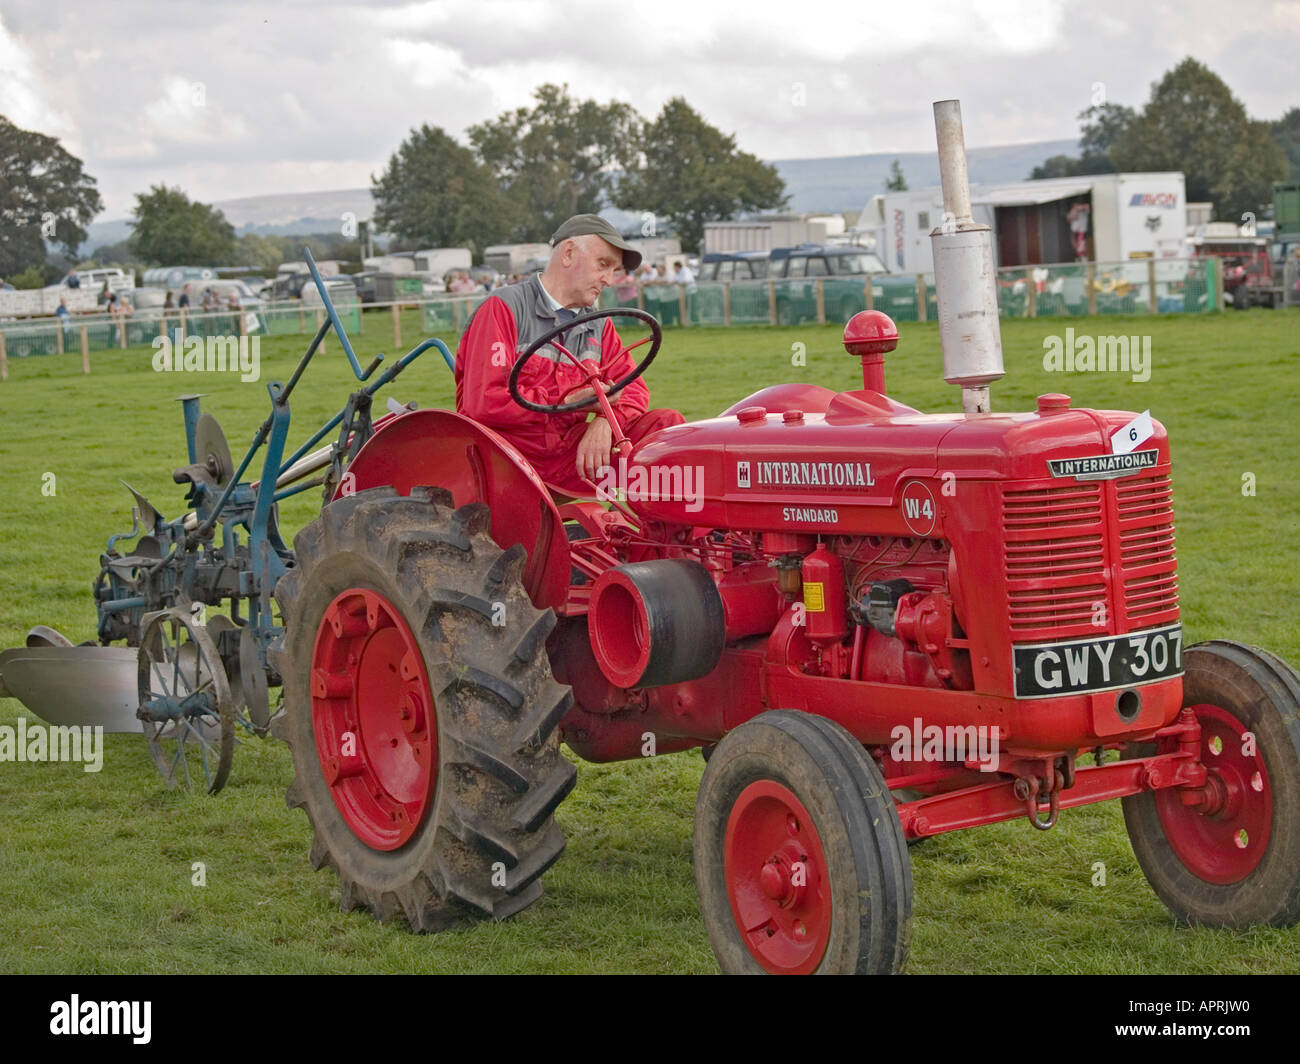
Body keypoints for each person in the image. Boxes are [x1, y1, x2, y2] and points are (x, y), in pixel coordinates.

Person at [455, 213, 684, 497]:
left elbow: (633, 389)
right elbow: (485, 402)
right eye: (604, 265)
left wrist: (605, 422)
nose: (609, 280)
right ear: (568, 254)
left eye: (615, 270)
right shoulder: (504, 308)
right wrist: (567, 403)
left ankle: (670, 539)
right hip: (509, 462)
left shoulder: (599, 324)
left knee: (668, 428)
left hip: (570, 458)